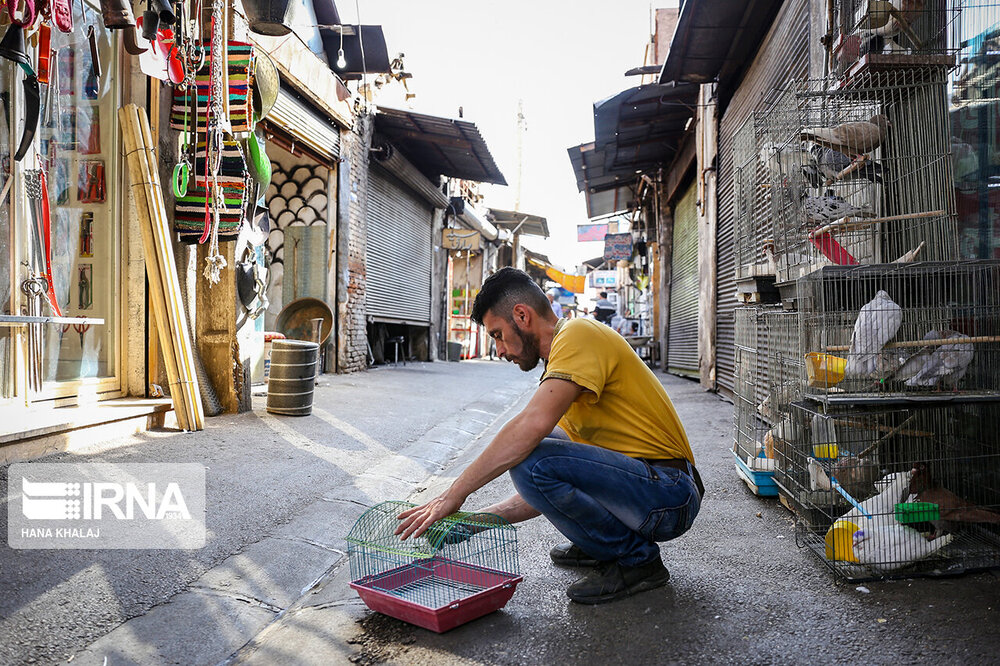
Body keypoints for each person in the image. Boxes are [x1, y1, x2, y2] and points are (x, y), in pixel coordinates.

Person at [396, 267, 703, 605]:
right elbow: (547, 490)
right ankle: (600, 543)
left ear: (522, 315)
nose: (499, 349)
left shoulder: (577, 333)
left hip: (670, 494)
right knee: (540, 459)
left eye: (497, 334)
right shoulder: (569, 374)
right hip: (653, 492)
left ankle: (637, 562)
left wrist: (453, 495)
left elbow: (530, 431)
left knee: (531, 458)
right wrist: (472, 523)